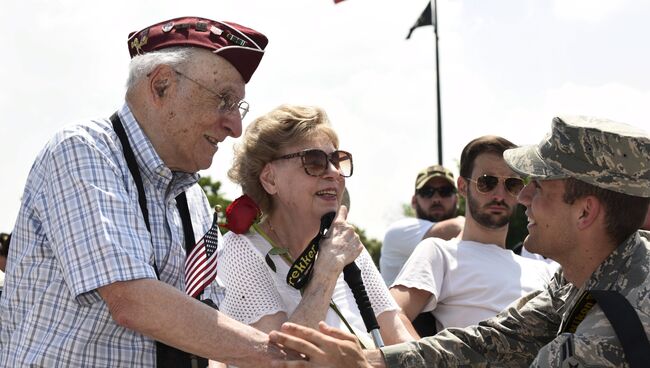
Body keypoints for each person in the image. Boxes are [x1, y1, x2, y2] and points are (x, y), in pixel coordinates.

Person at [0, 16, 289, 367]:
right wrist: (287, 360)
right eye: (224, 100)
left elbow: (205, 319)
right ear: (162, 85)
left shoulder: (193, 198)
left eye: (238, 107)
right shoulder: (83, 149)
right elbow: (133, 301)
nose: (235, 126)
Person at [268, 115, 650, 368]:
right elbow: (494, 339)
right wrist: (374, 361)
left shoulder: (617, 325)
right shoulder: (578, 276)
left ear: (585, 213)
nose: (522, 198)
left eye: (537, 187)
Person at [216, 104, 415, 352]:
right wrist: (325, 274)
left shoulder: (347, 246)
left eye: (335, 160)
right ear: (269, 179)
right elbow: (279, 360)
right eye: (314, 161)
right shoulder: (241, 251)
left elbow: (401, 340)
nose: (333, 173)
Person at [390, 136, 554, 331]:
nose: (499, 195)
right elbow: (392, 315)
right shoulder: (439, 253)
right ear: (462, 187)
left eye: (512, 184)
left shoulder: (543, 270)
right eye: (487, 182)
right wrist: (424, 361)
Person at [380, 165, 459, 286]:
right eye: (427, 192)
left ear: (457, 200)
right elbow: (456, 227)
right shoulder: (398, 232)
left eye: (445, 191)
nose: (436, 199)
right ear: (414, 201)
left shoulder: (467, 238)